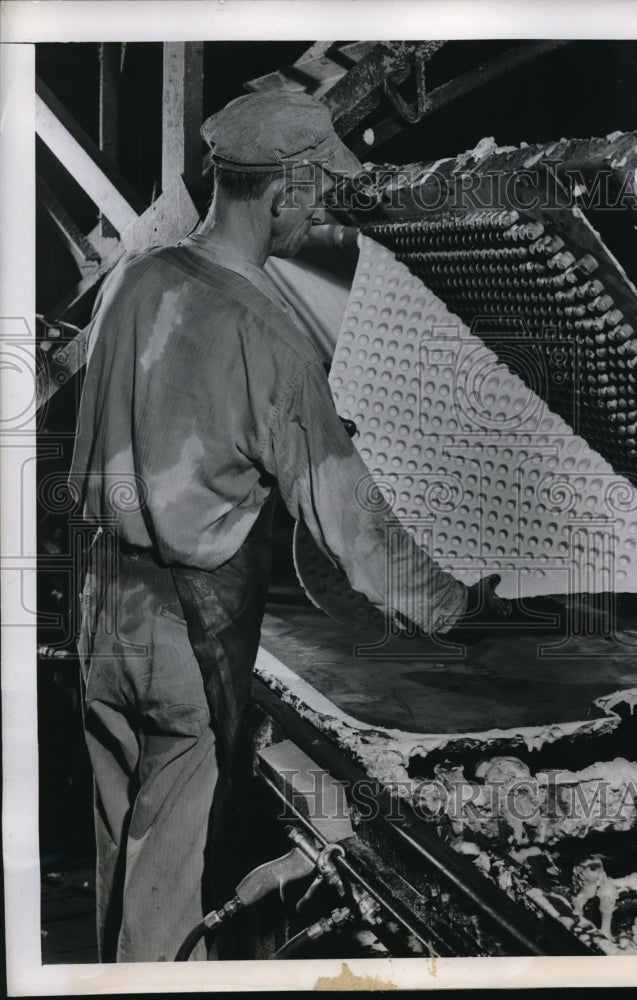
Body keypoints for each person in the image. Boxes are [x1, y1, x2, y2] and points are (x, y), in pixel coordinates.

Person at [69, 90, 508, 963]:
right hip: (181, 640)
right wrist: (462, 612)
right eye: (318, 193)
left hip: (96, 611)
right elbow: (356, 529)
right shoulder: (269, 337)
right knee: (171, 895)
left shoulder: (139, 275)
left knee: (120, 848)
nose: (323, 209)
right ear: (281, 195)